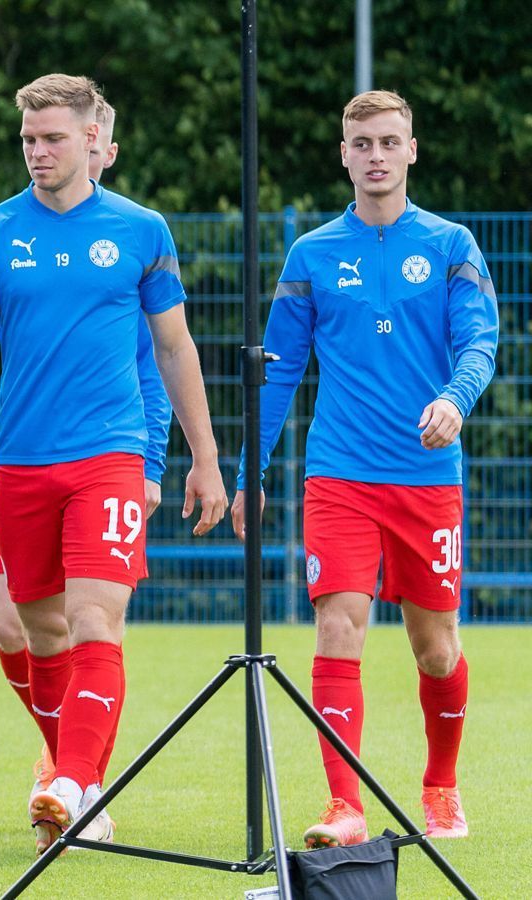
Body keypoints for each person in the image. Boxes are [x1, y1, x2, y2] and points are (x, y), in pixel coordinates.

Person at [0, 73, 226, 854]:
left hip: (110, 456)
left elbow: (172, 346)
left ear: (93, 139)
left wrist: (203, 455)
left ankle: (68, 781)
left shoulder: (140, 230)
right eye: (28, 139)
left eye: (52, 137)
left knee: (97, 618)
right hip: (21, 462)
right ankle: (80, 783)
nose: (38, 152)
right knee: (38, 631)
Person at [233, 89, 498, 848]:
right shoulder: (312, 254)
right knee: (337, 625)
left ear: (412, 150)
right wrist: (254, 468)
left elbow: (481, 342)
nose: (376, 156)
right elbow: (278, 372)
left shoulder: (452, 246)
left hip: (426, 478)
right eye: (362, 144)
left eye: (389, 142)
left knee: (435, 646)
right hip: (340, 475)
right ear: (343, 153)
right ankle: (343, 805)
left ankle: (440, 787)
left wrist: (454, 400)